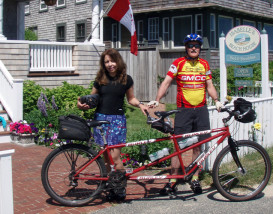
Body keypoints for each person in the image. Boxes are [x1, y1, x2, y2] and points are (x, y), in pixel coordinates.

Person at [148, 34, 223, 195]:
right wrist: (157, 99)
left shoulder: (204, 64)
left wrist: (216, 100)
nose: (194, 48)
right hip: (183, 110)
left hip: (201, 110)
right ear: (186, 48)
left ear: (200, 48)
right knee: (178, 146)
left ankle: (194, 178)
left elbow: (209, 84)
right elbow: (166, 82)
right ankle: (173, 180)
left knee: (198, 146)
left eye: (196, 45)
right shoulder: (178, 63)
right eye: (190, 46)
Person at [77, 48, 148, 200]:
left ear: (118, 61)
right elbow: (92, 99)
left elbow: (131, 99)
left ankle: (120, 188)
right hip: (101, 120)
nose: (110, 64)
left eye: (112, 61)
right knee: (106, 157)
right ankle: (110, 183)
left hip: (117, 120)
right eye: (107, 62)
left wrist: (141, 104)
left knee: (115, 157)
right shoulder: (100, 79)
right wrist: (82, 105)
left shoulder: (126, 79)